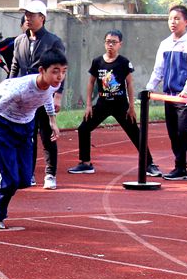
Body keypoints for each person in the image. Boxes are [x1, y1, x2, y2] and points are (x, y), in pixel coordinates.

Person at [0, 50, 68, 229]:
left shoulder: (53, 85)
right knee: (9, 180)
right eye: (56, 71)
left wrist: (52, 120)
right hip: (4, 126)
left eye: (64, 71)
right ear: (42, 70)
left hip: (26, 128)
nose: (60, 76)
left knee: (25, 179)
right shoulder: (21, 89)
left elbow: (46, 98)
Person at [67, 30, 161, 176]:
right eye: (108, 41)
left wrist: (131, 106)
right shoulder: (97, 62)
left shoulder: (123, 62)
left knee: (135, 133)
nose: (110, 45)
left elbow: (130, 83)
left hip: (121, 105)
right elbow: (91, 82)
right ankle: (85, 163)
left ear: (120, 44)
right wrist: (88, 105)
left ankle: (149, 164)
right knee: (83, 128)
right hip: (103, 104)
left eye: (114, 42)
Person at [9, 0, 66, 190]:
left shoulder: (53, 41)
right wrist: (9, 88)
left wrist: (58, 94)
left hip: (44, 93)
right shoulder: (19, 41)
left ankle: (50, 174)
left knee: (47, 133)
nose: (28, 18)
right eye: (26, 14)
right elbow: (15, 66)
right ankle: (28, 173)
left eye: (32, 15)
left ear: (42, 18)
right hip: (23, 96)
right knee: (27, 135)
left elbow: (60, 67)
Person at [145, 4, 187, 181]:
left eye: (177, 18)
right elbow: (158, 70)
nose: (173, 22)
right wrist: (149, 87)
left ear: (186, 22)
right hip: (168, 95)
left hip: (185, 96)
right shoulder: (165, 44)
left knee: (184, 130)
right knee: (173, 132)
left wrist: (186, 91)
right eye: (171, 18)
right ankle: (180, 167)